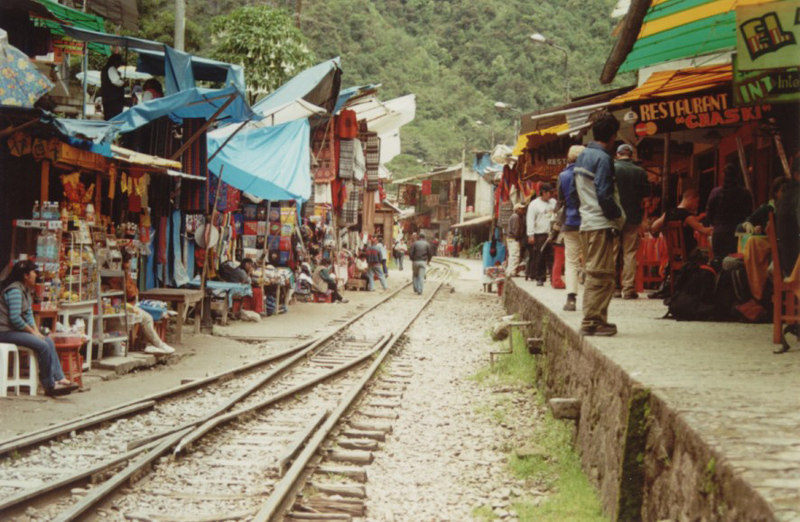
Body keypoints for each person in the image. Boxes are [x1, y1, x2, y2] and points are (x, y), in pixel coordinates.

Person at [570, 113, 625, 336]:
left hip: (587, 222)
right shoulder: (603, 158)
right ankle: (593, 321)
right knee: (601, 274)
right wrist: (616, 215)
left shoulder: (582, 156)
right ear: (613, 136)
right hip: (600, 223)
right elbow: (604, 193)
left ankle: (593, 319)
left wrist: (585, 211)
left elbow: (573, 194)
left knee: (594, 271)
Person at [0, 260, 77, 396]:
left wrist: (36, 331)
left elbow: (29, 314)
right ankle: (49, 385)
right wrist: (32, 332)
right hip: (5, 332)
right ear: (25, 275)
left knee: (48, 341)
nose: (36, 275)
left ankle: (59, 378)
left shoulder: (25, 290)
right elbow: (15, 318)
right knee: (42, 346)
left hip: (14, 330)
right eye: (34, 272)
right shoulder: (15, 290)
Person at [114, 254, 176, 355]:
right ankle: (158, 344)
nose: (129, 264)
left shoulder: (125, 275)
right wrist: (133, 290)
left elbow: (134, 290)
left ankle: (153, 344)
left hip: (130, 304)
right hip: (122, 305)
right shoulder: (119, 276)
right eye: (128, 262)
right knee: (147, 318)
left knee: (150, 315)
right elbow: (130, 292)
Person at [614, 143, 651, 299]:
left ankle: (613, 288)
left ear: (618, 154)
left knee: (612, 252)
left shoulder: (612, 168)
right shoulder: (640, 171)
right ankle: (628, 289)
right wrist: (644, 219)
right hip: (633, 217)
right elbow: (646, 199)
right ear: (631, 155)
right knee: (629, 253)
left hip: (614, 216)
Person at [558, 145, 585, 311]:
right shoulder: (589, 174)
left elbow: (561, 198)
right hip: (589, 222)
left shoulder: (563, 175)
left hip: (570, 221)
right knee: (591, 260)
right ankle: (591, 298)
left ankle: (571, 299)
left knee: (571, 261)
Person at [706, 163, 753, 259]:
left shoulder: (715, 192)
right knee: (736, 264)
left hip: (719, 233)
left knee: (719, 262)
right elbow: (749, 214)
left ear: (723, 175)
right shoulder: (745, 193)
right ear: (738, 176)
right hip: (738, 235)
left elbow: (709, 215)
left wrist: (715, 224)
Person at [526, 184, 557, 286]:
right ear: (543, 193)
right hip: (540, 234)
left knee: (553, 256)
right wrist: (530, 235)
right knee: (540, 256)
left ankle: (554, 278)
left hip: (552, 233)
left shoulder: (553, 202)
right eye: (550, 193)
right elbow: (530, 220)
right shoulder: (534, 204)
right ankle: (540, 278)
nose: (552, 194)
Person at [101, 53, 126, 120]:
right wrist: (124, 83)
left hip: (107, 98)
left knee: (109, 117)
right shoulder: (111, 68)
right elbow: (116, 81)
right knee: (115, 118)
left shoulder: (105, 69)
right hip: (114, 99)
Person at [506, 203, 527, 276]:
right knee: (515, 255)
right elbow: (516, 231)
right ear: (517, 210)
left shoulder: (515, 216)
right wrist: (519, 239)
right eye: (522, 209)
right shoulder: (516, 217)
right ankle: (512, 272)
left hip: (511, 238)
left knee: (512, 255)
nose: (523, 211)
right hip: (514, 239)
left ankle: (510, 271)